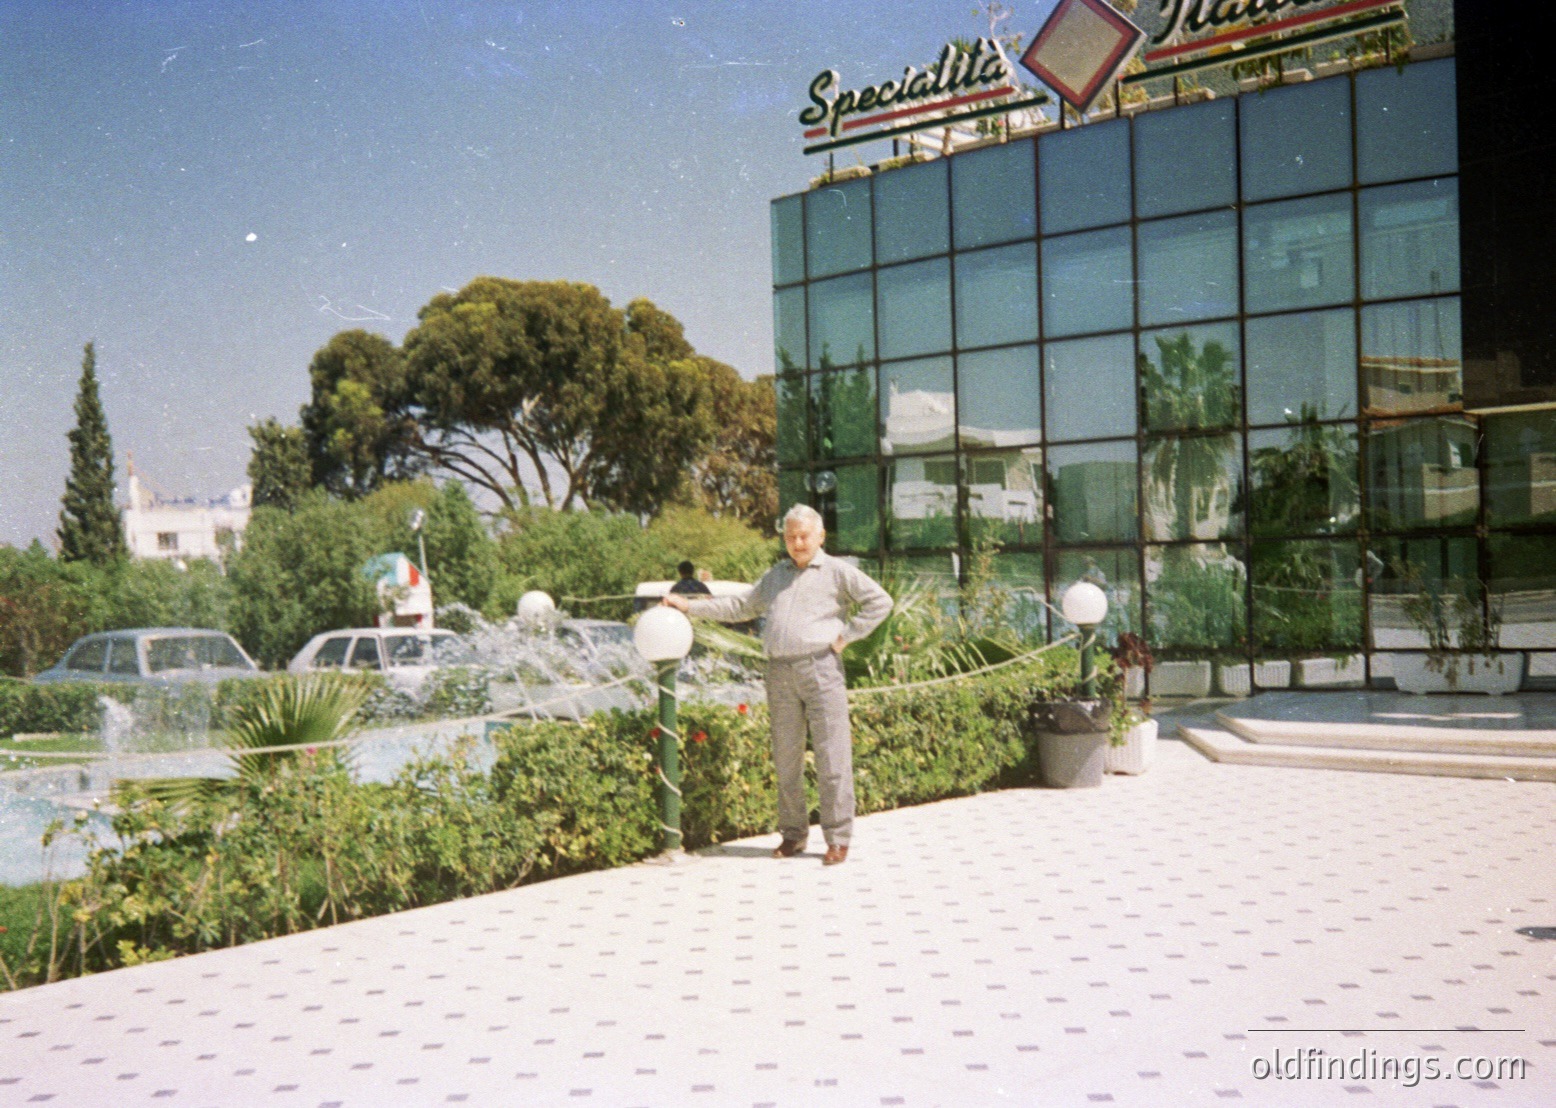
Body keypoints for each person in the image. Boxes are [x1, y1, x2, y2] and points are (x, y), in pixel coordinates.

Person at [662, 505, 891, 865]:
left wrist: (846, 637)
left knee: (833, 758)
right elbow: (741, 606)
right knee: (786, 758)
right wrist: (689, 607)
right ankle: (793, 835)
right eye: (790, 537)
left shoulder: (837, 571)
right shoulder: (776, 575)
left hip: (821, 669)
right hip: (780, 673)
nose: (797, 543)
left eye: (804, 536)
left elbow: (881, 601)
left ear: (820, 536)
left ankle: (838, 839)